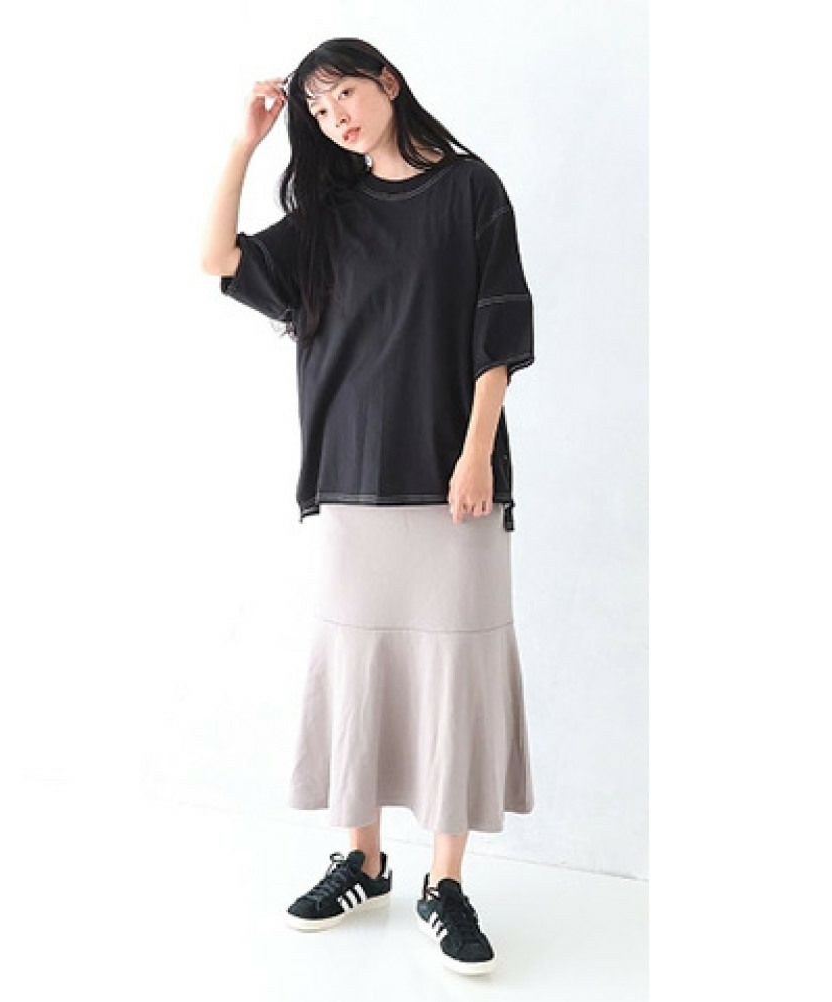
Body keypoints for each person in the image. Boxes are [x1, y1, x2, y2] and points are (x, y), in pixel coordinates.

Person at [201, 38, 535, 977]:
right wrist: (245, 144)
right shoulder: (331, 214)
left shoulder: (471, 189)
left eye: (343, 92)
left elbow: (499, 330)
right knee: (357, 668)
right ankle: (364, 861)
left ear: (387, 81)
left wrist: (475, 453)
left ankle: (445, 881)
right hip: (351, 474)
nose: (335, 117)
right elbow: (217, 258)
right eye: (317, 108)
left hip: (454, 479)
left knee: (455, 672)